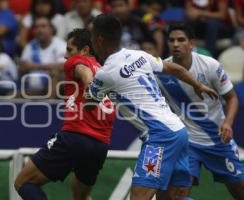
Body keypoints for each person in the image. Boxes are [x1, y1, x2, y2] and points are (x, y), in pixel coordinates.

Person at [86, 14, 218, 200]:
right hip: (179, 130)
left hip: (159, 137)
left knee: (139, 197)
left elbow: (89, 104)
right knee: (173, 198)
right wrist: (198, 85)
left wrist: (86, 75)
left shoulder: (105, 74)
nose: (91, 42)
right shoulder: (138, 55)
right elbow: (176, 69)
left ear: (99, 39)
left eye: (91, 37)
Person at [14, 28, 116, 200]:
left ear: (84, 50)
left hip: (75, 137)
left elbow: (84, 72)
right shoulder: (106, 74)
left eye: (70, 50)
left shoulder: (75, 63)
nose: (66, 56)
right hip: (100, 146)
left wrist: (90, 86)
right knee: (82, 197)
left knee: (23, 183)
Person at [156, 22, 244, 199]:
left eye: (181, 40)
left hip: (217, 140)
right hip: (186, 144)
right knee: (176, 195)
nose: (175, 44)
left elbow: (232, 98)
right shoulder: (161, 72)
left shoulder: (210, 65)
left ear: (191, 43)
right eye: (171, 40)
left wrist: (228, 122)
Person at [20, 16, 66, 98]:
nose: (40, 30)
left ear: (52, 29)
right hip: (32, 89)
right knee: (10, 94)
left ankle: (50, 106)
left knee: (55, 74)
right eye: (36, 27)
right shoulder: (30, 46)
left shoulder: (60, 44)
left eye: (43, 26)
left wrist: (34, 66)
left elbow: (62, 66)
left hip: (54, 87)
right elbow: (23, 65)